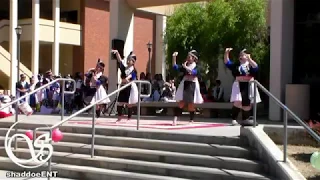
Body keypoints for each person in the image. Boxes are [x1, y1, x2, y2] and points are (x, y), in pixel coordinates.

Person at [224, 48, 261, 126]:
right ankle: (234, 119)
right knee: (237, 102)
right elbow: (227, 63)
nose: (241, 56)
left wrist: (249, 59)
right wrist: (226, 53)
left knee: (247, 104)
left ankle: (245, 120)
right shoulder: (237, 65)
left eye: (243, 55)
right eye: (240, 55)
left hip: (249, 85)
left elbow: (256, 67)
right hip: (238, 85)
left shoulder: (250, 65)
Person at [172, 50, 204, 125]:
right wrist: (174, 57)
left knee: (191, 104)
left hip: (192, 84)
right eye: (188, 57)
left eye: (190, 57)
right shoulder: (185, 65)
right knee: (181, 103)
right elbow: (175, 66)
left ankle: (191, 120)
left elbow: (193, 72)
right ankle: (175, 118)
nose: (188, 58)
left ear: (194, 58)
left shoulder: (197, 66)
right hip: (185, 84)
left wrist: (185, 67)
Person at [111, 50, 139, 123]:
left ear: (133, 62)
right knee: (120, 102)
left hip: (130, 87)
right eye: (128, 59)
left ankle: (129, 118)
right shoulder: (124, 69)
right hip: (123, 86)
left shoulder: (133, 71)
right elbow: (120, 61)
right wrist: (117, 52)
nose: (128, 60)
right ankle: (120, 117)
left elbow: (131, 77)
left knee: (129, 104)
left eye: (130, 60)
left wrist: (126, 79)